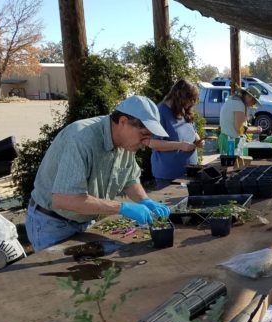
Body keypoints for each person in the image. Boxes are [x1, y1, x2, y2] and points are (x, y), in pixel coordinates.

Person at [25, 95, 172, 252]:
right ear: (123, 122)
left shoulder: (126, 144)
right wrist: (121, 208)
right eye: (144, 135)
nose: (145, 142)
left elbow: (130, 179)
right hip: (52, 224)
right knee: (57, 275)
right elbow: (65, 199)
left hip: (85, 221)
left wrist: (144, 201)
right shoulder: (80, 139)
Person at [150, 80, 204, 187]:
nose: (191, 104)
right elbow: (153, 143)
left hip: (190, 171)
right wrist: (180, 145)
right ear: (180, 97)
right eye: (190, 100)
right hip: (169, 176)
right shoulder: (160, 112)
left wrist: (198, 140)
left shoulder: (182, 109)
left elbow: (192, 131)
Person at [218, 86, 263, 155]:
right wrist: (256, 129)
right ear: (249, 96)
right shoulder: (239, 104)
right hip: (231, 141)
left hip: (227, 138)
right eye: (254, 100)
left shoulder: (233, 101)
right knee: (232, 164)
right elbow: (239, 129)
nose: (254, 104)